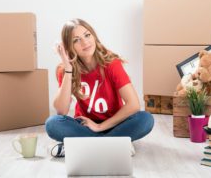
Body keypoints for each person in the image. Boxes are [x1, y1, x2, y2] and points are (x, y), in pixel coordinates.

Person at [45, 19, 154, 157]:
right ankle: (115, 144)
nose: (85, 42)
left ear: (94, 36)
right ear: (68, 47)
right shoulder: (65, 70)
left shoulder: (111, 64)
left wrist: (99, 127)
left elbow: (133, 105)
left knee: (146, 119)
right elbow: (61, 110)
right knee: (52, 124)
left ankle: (85, 146)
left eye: (87, 35)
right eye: (76, 40)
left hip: (115, 123)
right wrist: (68, 68)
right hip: (84, 125)